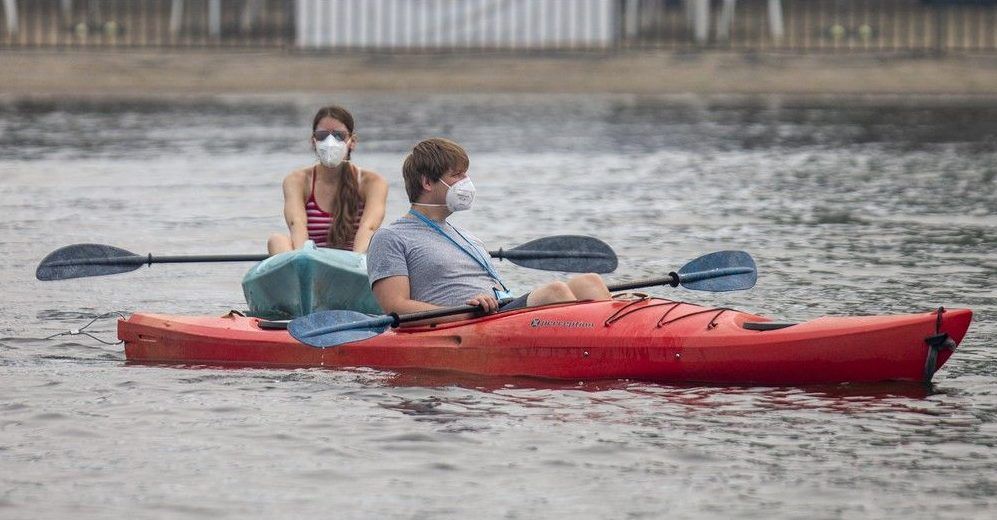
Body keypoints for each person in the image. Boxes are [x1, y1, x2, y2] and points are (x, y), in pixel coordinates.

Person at [366, 138, 611, 317]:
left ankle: (620, 335)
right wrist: (464, 311)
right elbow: (395, 307)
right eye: (457, 176)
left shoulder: (467, 237)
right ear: (428, 182)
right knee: (554, 292)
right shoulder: (391, 237)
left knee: (589, 282)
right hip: (468, 322)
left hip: (498, 313)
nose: (467, 183)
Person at [267, 105, 387, 255]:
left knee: (382, 241)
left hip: (355, 264)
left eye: (339, 136)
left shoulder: (372, 182)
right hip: (312, 264)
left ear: (352, 141)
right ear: (313, 142)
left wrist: (354, 266)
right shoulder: (297, 181)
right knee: (277, 240)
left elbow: (369, 227)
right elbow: (296, 224)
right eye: (322, 136)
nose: (330, 142)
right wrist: (306, 262)